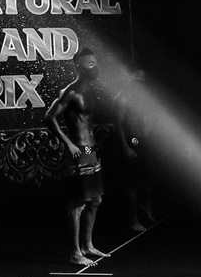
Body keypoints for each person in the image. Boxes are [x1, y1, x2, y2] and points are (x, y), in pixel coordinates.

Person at [46, 46, 106, 265]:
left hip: (90, 150)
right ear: (78, 66)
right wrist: (69, 144)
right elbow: (49, 118)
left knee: (96, 199)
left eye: (95, 62)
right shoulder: (70, 91)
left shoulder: (88, 89)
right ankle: (75, 253)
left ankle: (88, 245)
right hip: (79, 151)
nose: (94, 66)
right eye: (90, 63)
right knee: (79, 202)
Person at [112, 68, 156, 232]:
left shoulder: (142, 96)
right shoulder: (122, 98)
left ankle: (145, 205)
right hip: (132, 140)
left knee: (149, 175)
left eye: (143, 77)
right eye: (137, 76)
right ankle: (133, 220)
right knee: (132, 182)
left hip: (144, 140)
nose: (140, 80)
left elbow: (148, 117)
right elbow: (118, 125)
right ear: (129, 77)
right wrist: (126, 147)